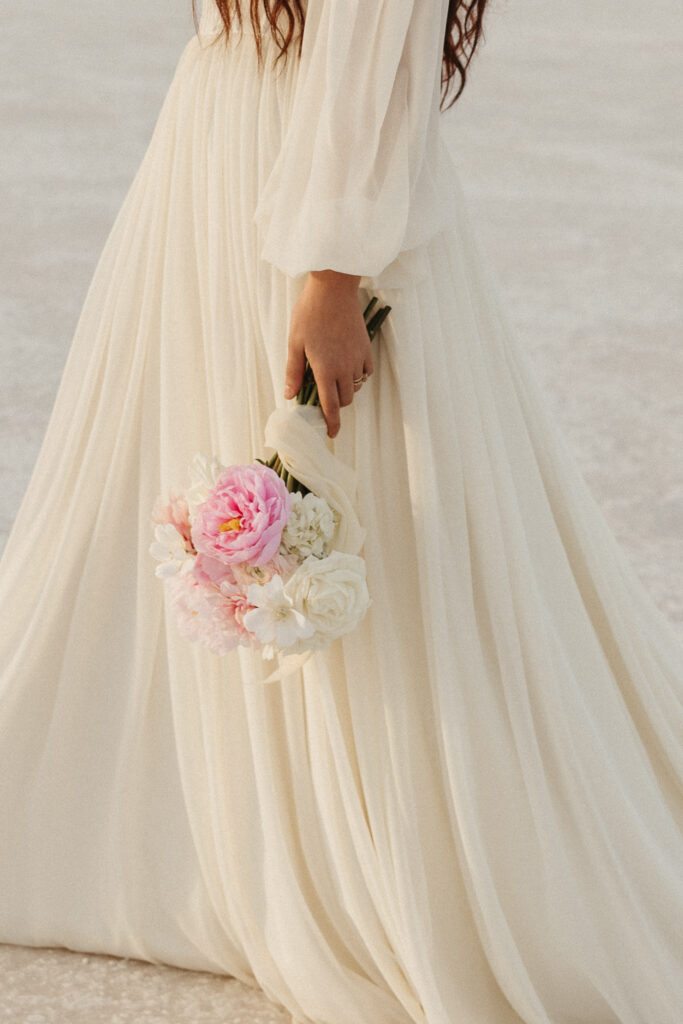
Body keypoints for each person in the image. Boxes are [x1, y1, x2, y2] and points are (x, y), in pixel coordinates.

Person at [1, 1, 681, 1022]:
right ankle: (209, 830)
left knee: (348, 504)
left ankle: (377, 832)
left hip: (304, 184)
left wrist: (331, 270)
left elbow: (375, 26)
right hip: (218, 148)